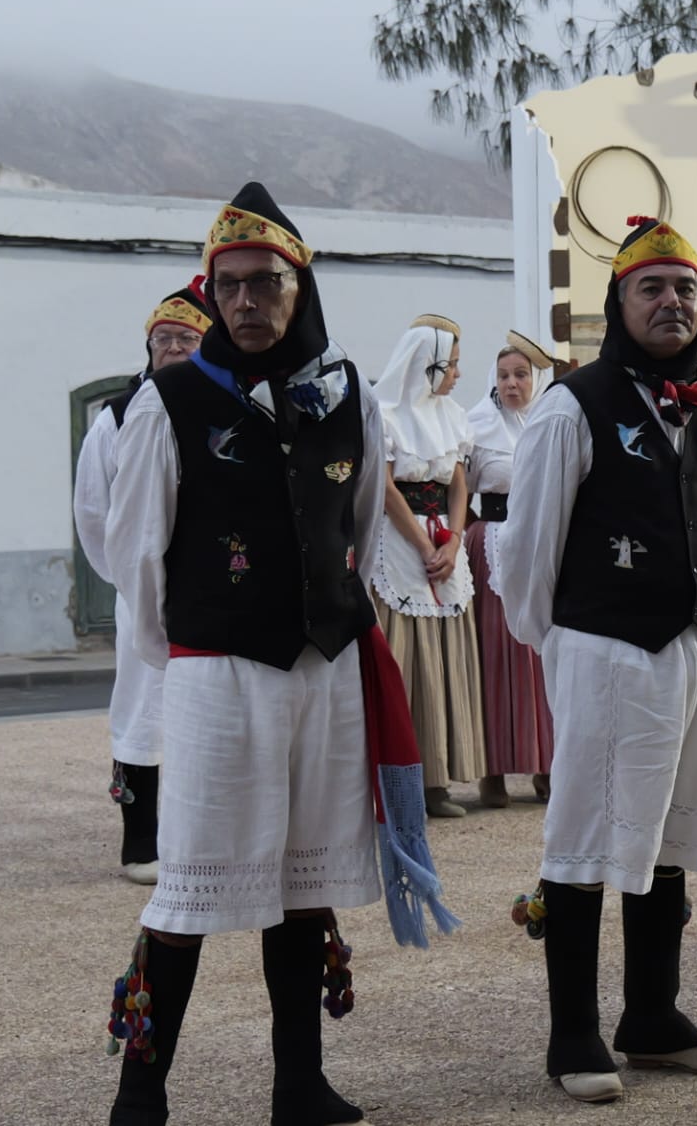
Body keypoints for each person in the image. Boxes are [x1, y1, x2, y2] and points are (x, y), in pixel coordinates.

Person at [103, 182, 454, 1125]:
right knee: (189, 889)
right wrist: (190, 654)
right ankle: (141, 1095)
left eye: (266, 282)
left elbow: (360, 523)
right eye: (229, 285)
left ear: (302, 287)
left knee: (305, 887)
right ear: (210, 292)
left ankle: (298, 1084)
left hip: (326, 670)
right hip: (219, 674)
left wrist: (328, 615)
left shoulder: (350, 396)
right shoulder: (170, 401)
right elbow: (137, 555)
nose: (247, 301)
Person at [491, 215, 697, 1102]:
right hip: (608, 648)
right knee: (589, 834)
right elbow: (526, 552)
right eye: (652, 288)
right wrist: (564, 644)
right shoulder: (573, 404)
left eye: (685, 289)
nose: (672, 302)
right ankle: (573, 1036)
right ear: (619, 303)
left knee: (664, 832)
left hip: (696, 645)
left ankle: (653, 1018)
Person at [74, 279, 210, 885]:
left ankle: (202, 834)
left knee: (212, 704)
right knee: (143, 707)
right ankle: (140, 843)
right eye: (163, 339)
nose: (173, 347)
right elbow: (93, 510)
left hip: (212, 587)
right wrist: (133, 580)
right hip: (144, 588)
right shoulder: (117, 417)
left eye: (186, 338)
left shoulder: (220, 408)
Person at [371, 315, 486, 818]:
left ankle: (436, 781)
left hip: (444, 540)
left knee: (443, 657)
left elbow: (458, 483)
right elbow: (384, 488)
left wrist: (454, 541)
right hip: (400, 542)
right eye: (451, 365)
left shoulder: (452, 415)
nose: (457, 374)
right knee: (405, 659)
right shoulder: (384, 414)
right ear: (427, 365)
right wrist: (423, 545)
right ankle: (395, 785)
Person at [468, 332, 556, 808]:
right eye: (503, 375)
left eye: (521, 375)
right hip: (492, 547)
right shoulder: (477, 427)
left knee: (539, 656)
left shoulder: (550, 425)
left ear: (536, 380)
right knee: (494, 655)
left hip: (539, 545)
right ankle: (493, 771)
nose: (511, 383)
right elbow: (459, 491)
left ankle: (546, 764)